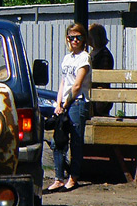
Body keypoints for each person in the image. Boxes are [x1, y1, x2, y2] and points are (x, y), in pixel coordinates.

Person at [47, 22, 91, 192]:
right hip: (65, 103)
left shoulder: (84, 58)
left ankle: (73, 177)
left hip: (77, 102)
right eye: (71, 37)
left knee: (76, 141)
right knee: (58, 140)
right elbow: (64, 82)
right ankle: (58, 177)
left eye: (78, 37)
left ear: (83, 39)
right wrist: (58, 104)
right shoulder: (67, 58)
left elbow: (77, 85)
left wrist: (65, 104)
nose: (75, 40)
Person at [88, 23, 114, 117]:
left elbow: (104, 79)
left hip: (100, 97)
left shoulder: (104, 54)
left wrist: (101, 100)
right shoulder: (91, 53)